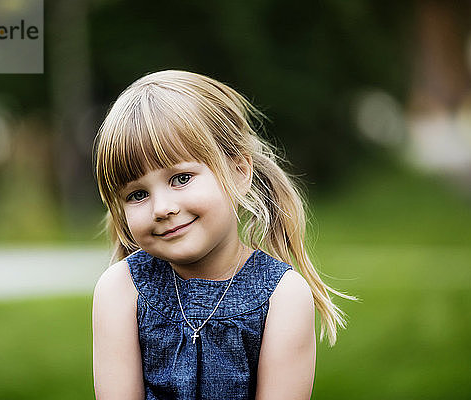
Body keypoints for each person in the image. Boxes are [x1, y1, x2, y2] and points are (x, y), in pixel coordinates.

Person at [92, 70, 355, 399]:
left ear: (239, 172)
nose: (161, 208)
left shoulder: (282, 296)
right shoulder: (120, 290)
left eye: (181, 178)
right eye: (137, 194)